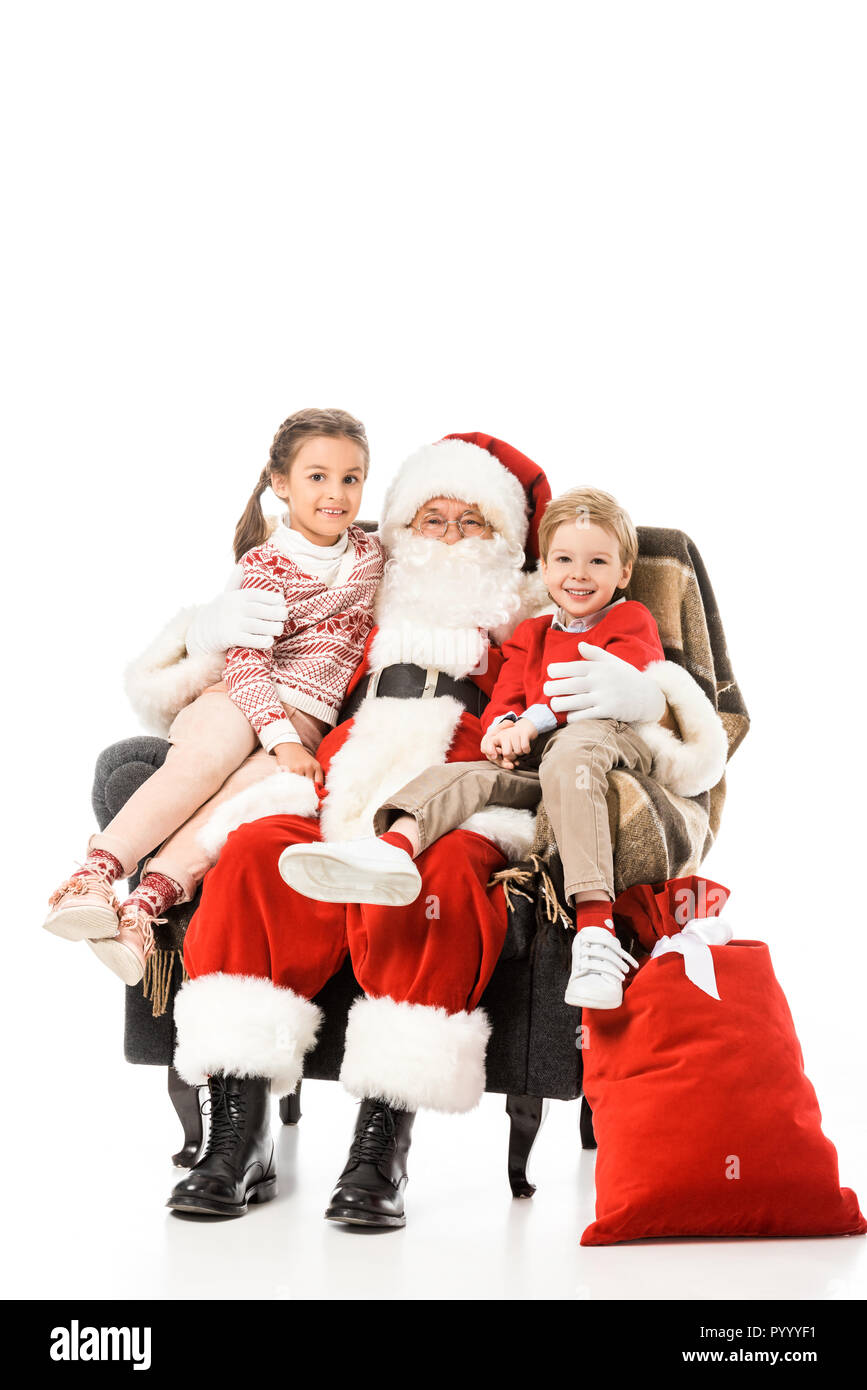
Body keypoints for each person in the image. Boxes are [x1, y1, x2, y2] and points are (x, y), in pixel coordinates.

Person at [146, 432, 727, 1229]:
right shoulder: (360, 583)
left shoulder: (541, 603)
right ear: (399, 530)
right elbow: (237, 653)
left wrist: (644, 700)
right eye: (431, 517)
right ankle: (237, 1137)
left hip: (470, 789)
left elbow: (665, 707)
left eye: (472, 521)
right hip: (339, 780)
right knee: (253, 854)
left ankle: (379, 1143)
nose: (448, 536)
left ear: (509, 543)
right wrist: (206, 628)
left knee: (447, 876)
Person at [279, 485, 664, 1011]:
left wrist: (534, 718)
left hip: (604, 744)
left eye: (598, 561)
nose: (579, 574)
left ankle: (596, 932)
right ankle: (391, 851)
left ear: (622, 573)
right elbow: (505, 698)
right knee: (465, 774)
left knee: (572, 754)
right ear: (545, 568)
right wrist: (501, 730)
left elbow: (602, 689)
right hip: (539, 761)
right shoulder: (531, 633)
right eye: (565, 560)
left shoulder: (629, 620)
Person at [42, 407, 383, 985]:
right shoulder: (266, 562)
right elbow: (246, 663)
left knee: (243, 805)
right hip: (241, 696)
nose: (337, 492)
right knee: (205, 760)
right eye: (317, 476)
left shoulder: (372, 555)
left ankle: (141, 909)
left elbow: (452, 540)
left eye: (351, 478)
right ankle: (93, 875)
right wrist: (278, 738)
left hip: (305, 722)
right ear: (281, 484)